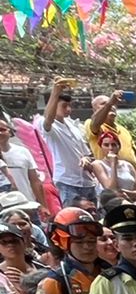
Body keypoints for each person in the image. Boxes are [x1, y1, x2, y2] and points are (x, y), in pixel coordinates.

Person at [36, 80, 94, 208]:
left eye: (69, 105)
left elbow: (86, 153)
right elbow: (48, 120)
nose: (68, 109)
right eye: (63, 106)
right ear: (52, 105)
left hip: (87, 181)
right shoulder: (44, 124)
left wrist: (86, 158)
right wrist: (56, 91)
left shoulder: (74, 125)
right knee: (70, 218)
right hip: (66, 181)